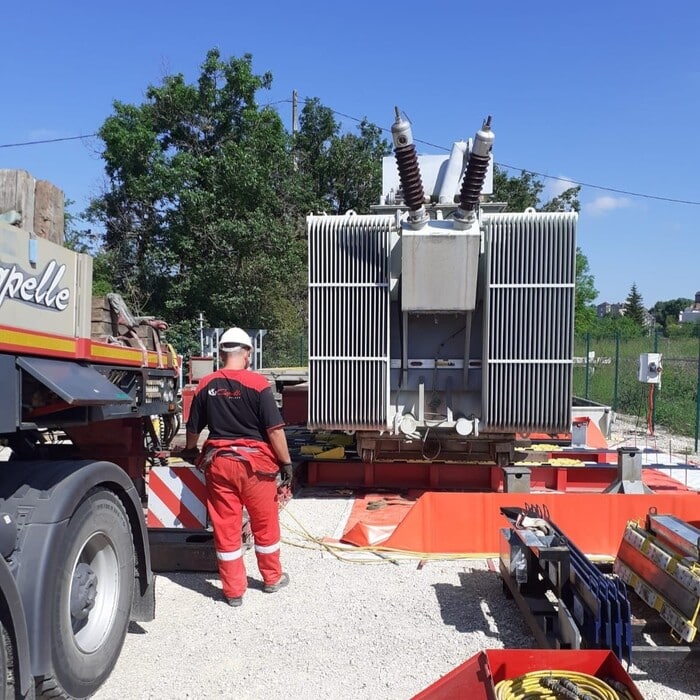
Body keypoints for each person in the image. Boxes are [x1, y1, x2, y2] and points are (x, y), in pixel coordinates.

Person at [182, 327, 293, 607]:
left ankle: (233, 591)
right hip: (256, 468)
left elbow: (193, 428)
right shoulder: (258, 384)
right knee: (264, 522)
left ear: (221, 354)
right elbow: (275, 430)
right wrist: (286, 463)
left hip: (219, 464)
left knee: (226, 526)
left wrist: (191, 449)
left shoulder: (206, 384)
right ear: (247, 353)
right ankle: (272, 578)